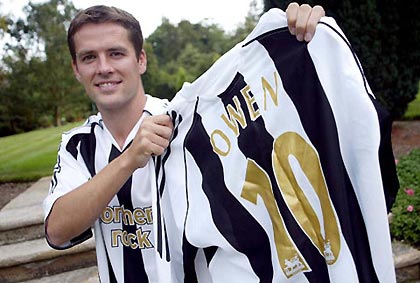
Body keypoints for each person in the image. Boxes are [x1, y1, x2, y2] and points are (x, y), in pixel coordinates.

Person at [43, 3, 325, 282]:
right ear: (76, 69)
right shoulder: (78, 146)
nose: (104, 68)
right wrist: (129, 160)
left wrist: (301, 36)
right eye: (89, 57)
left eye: (116, 54)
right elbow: (57, 231)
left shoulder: (190, 126)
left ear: (140, 60)